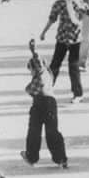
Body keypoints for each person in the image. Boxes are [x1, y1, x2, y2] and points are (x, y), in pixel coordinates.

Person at [20, 40, 68, 169]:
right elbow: (39, 62)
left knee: (34, 132)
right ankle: (60, 158)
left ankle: (32, 156)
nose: (31, 73)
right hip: (50, 104)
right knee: (51, 132)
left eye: (30, 70)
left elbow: (37, 63)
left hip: (41, 104)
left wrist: (33, 51)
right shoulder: (48, 74)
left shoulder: (41, 73)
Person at [40, 0, 84, 103]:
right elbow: (52, 19)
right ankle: (47, 90)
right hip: (62, 39)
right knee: (54, 65)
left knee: (73, 67)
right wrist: (44, 32)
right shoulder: (59, 4)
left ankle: (78, 94)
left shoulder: (80, 5)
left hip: (75, 40)